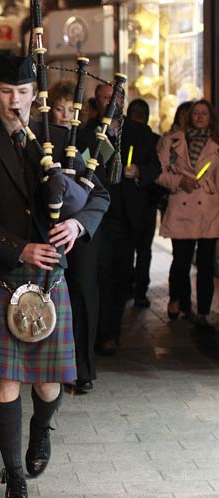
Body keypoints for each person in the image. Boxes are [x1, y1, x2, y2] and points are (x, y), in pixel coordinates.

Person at [0, 55, 109, 498]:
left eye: (23, 93)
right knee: (7, 380)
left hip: (50, 278)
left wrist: (78, 225)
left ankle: (41, 430)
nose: (14, 102)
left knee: (48, 382)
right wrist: (18, 246)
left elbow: (99, 194)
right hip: (1, 272)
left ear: (34, 96)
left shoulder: (61, 140)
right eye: (6, 92)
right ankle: (14, 476)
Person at [83, 84, 161, 356]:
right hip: (95, 218)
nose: (111, 102)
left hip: (126, 217)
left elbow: (155, 166)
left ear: (123, 101)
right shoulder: (85, 132)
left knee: (119, 276)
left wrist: (139, 170)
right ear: (98, 101)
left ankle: (110, 333)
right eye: (105, 97)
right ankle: (94, 331)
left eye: (115, 97)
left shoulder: (141, 133)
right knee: (97, 275)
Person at [48, 79, 100, 393]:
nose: (67, 114)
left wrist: (81, 223)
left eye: (72, 108)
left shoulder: (91, 140)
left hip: (81, 232)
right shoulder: (43, 139)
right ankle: (56, 364)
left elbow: (100, 191)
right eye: (60, 108)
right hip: (50, 230)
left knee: (83, 294)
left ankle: (84, 369)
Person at [156, 99, 219, 330]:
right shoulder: (172, 141)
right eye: (196, 113)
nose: (200, 117)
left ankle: (203, 312)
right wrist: (178, 181)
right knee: (181, 260)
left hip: (208, 209)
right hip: (181, 202)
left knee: (206, 264)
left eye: (205, 113)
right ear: (188, 116)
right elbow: (158, 172)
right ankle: (177, 299)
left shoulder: (216, 144)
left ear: (211, 117)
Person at [125, 98, 162, 308]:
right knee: (134, 250)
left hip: (146, 203)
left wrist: (140, 173)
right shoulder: (123, 136)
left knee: (142, 250)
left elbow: (157, 169)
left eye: (141, 112)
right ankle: (134, 288)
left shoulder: (153, 139)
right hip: (130, 205)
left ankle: (139, 289)